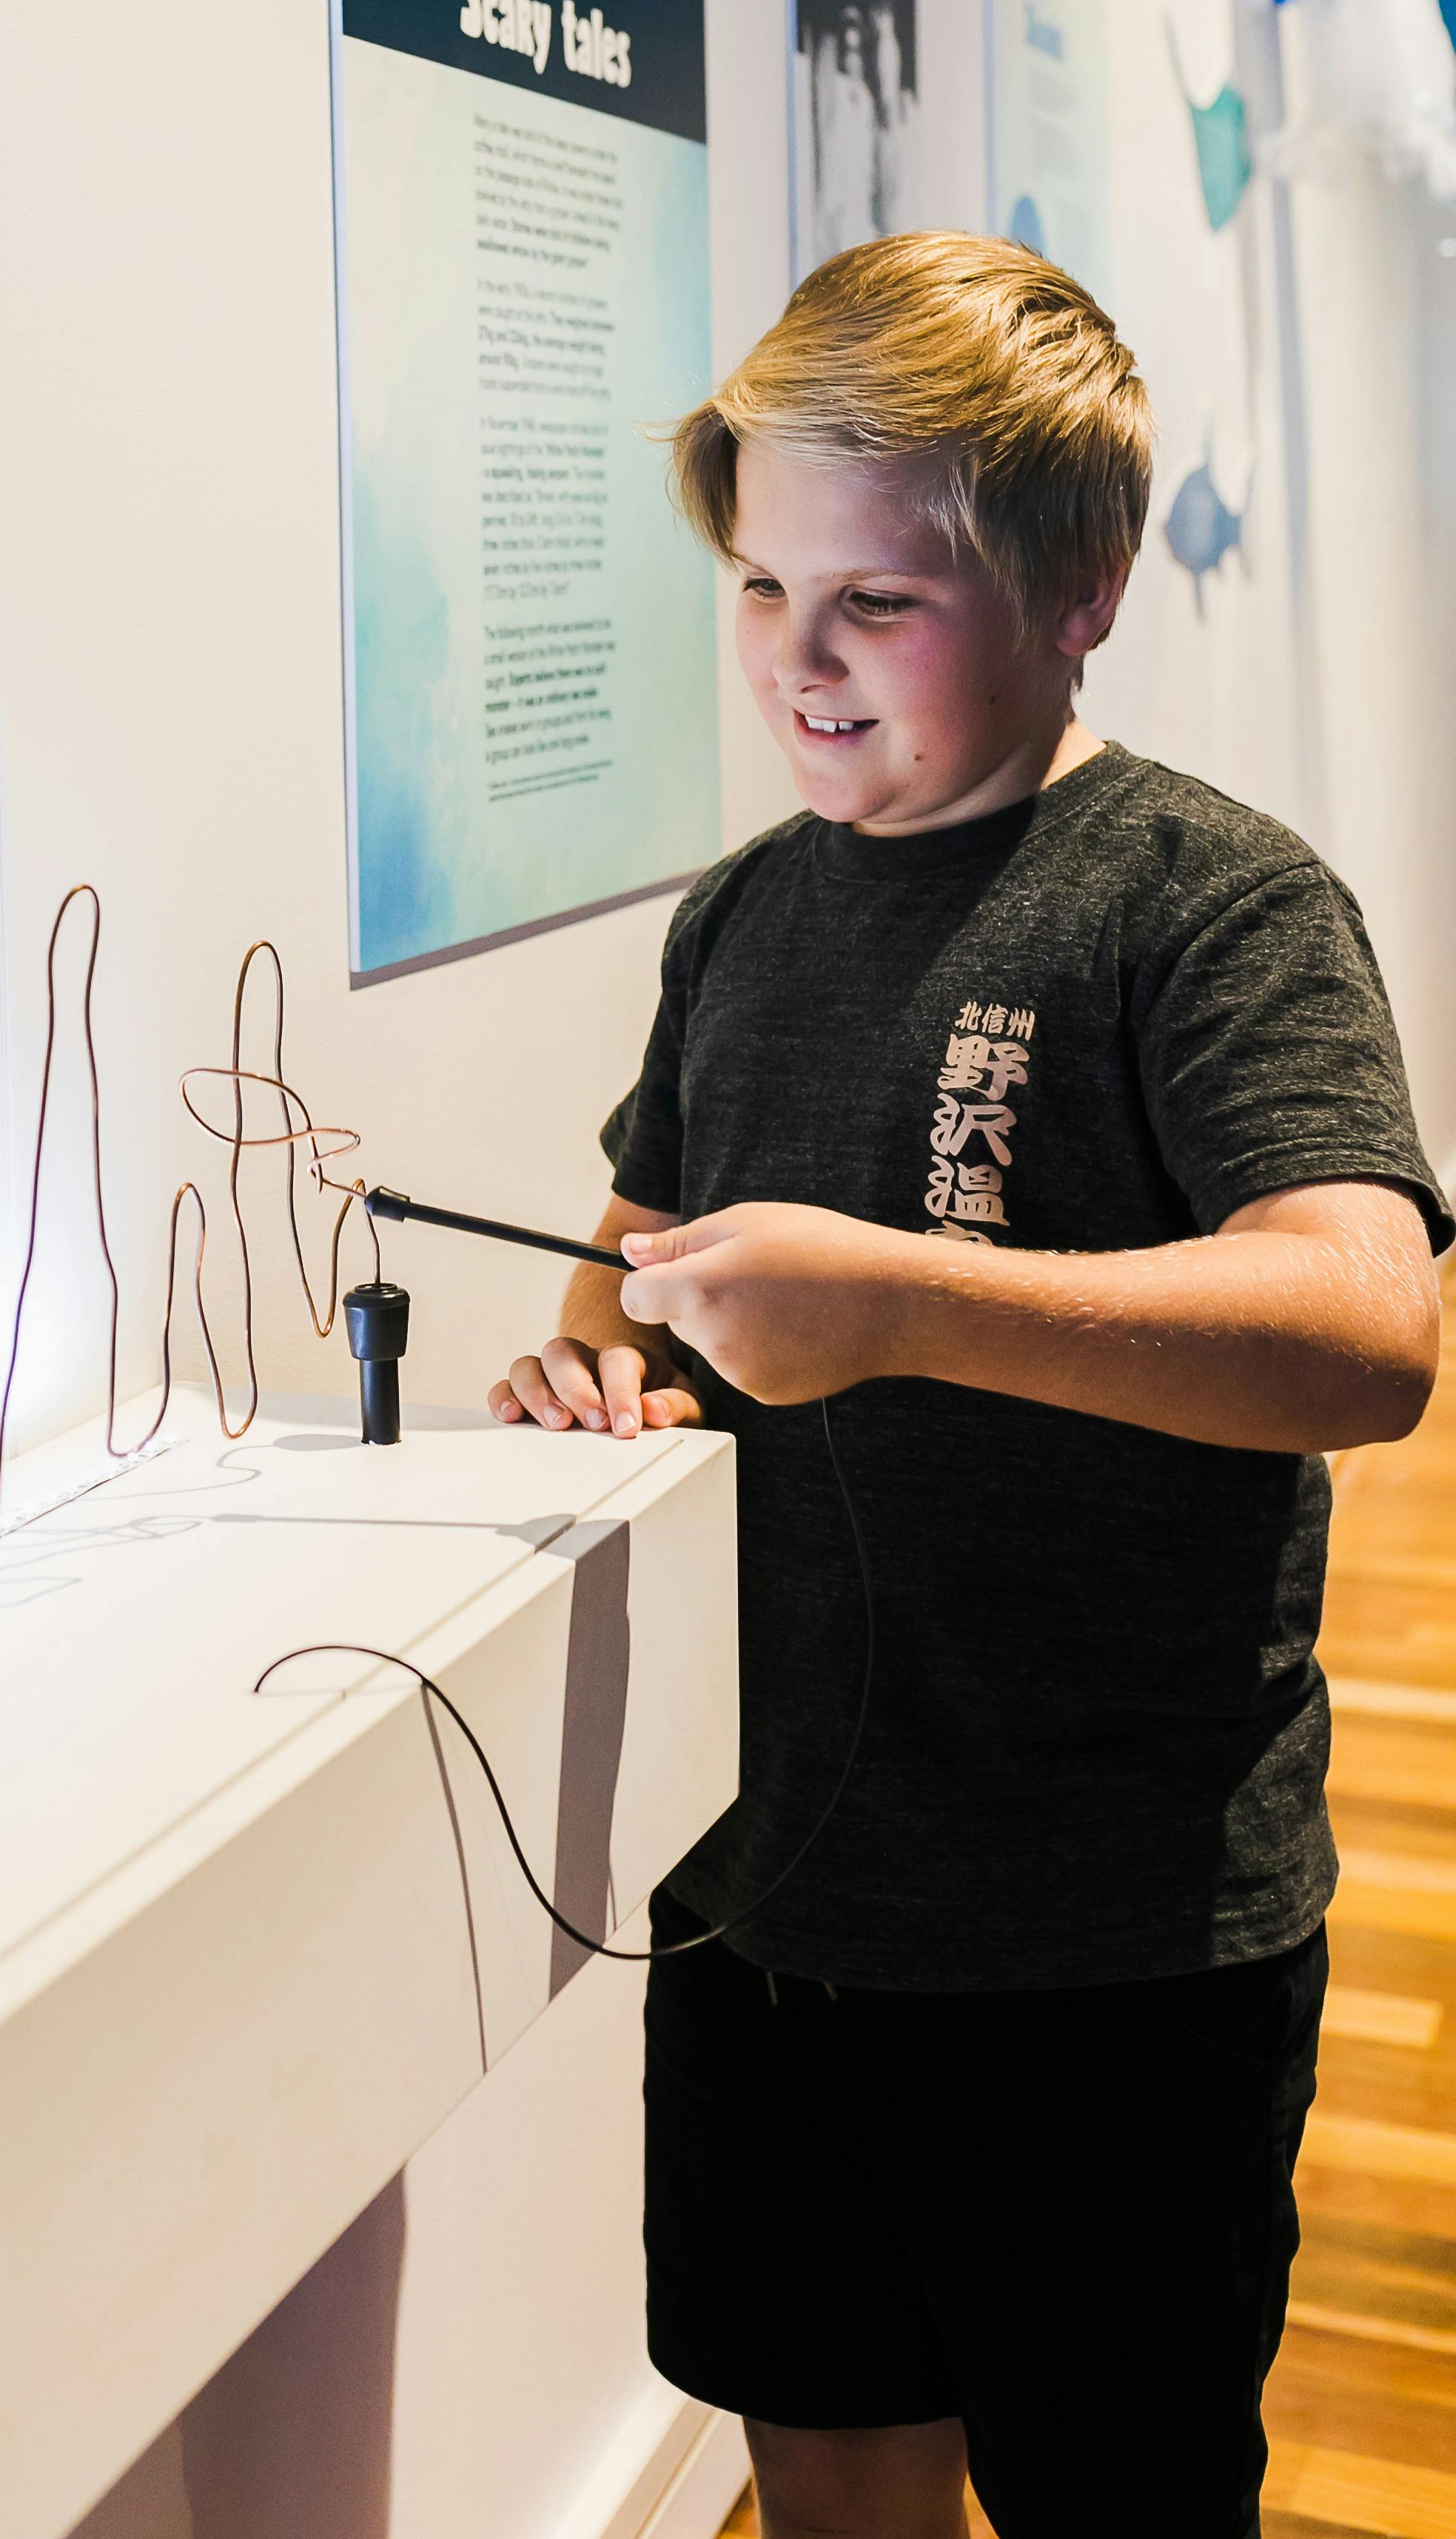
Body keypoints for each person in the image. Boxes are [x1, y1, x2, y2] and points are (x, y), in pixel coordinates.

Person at [488, 234, 1449, 2539]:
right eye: (757, 592)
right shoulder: (740, 914)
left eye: (877, 608)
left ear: (1083, 585)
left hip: (1106, 1945)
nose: (797, 669)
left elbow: (1362, 1328)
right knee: (822, 2451)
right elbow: (638, 1253)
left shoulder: (1210, 904)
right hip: (764, 1897)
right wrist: (590, 1360)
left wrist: (909, 1302)